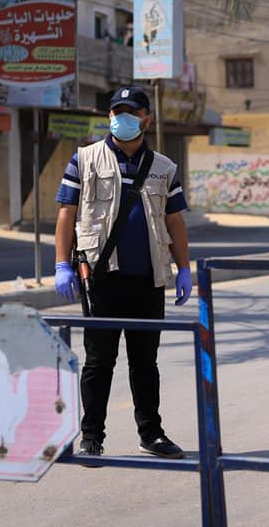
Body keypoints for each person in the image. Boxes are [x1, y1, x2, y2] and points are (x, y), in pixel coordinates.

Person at [53, 86, 193, 464]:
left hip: (148, 282)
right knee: (99, 363)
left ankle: (152, 434)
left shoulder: (164, 168)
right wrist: (62, 264)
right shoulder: (84, 159)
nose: (122, 118)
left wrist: (184, 269)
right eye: (117, 111)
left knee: (145, 362)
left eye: (131, 112)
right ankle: (91, 437)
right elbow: (66, 213)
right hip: (101, 280)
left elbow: (175, 220)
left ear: (147, 118)